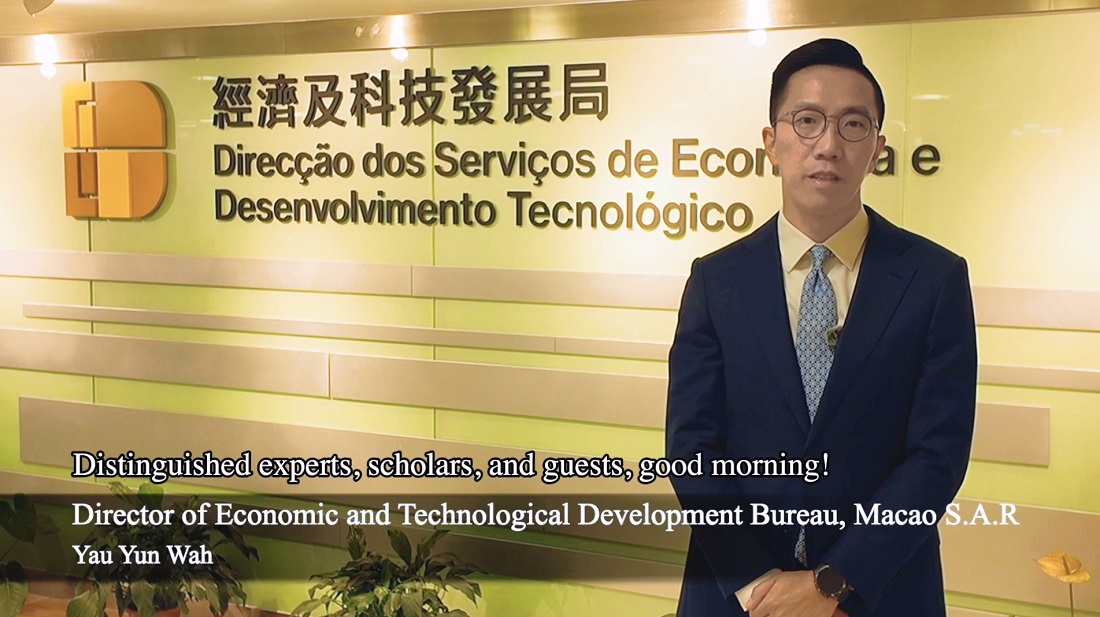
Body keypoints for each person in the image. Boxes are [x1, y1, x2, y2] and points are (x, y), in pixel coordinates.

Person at [665, 38, 977, 617]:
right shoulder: (716, 280)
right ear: (772, 142)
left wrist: (833, 584)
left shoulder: (934, 279)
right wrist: (760, 585)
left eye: (853, 125)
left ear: (877, 149)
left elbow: (937, 455)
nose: (828, 145)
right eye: (807, 121)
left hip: (882, 594)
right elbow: (693, 449)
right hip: (740, 598)